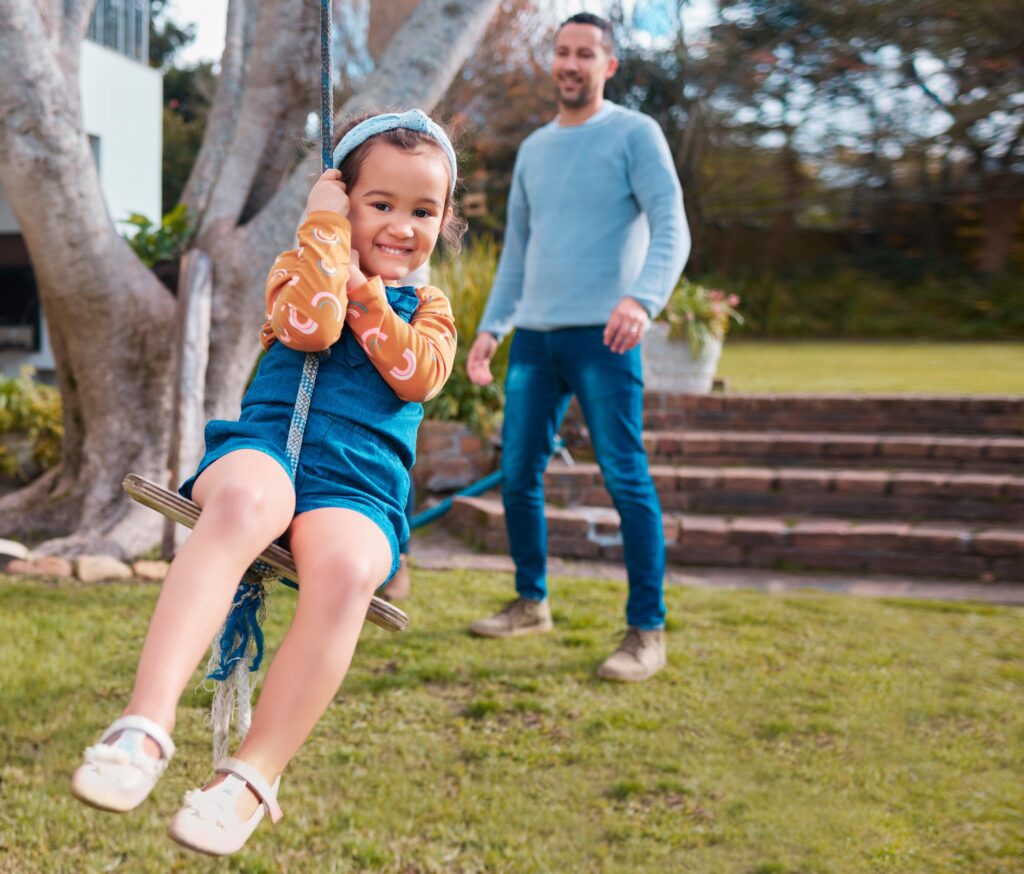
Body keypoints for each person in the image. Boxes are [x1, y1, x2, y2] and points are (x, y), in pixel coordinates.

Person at [70, 109, 462, 856]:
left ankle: (248, 780)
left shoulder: (432, 310)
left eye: (423, 211)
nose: (401, 226)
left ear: (444, 220)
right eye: (380, 203)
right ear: (342, 200)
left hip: (358, 487)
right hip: (266, 450)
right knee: (251, 501)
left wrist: (370, 297)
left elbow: (415, 377)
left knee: (348, 570)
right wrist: (321, 231)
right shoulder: (299, 267)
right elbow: (311, 328)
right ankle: (143, 730)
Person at [466, 13, 689, 682]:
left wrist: (641, 300)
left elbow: (673, 228)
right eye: (562, 52)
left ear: (608, 66)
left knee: (626, 476)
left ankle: (646, 632)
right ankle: (531, 602)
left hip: (606, 336)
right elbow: (517, 251)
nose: (571, 63)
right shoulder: (534, 149)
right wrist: (491, 326)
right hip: (535, 336)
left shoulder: (635, 134)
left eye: (585, 53)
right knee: (517, 475)